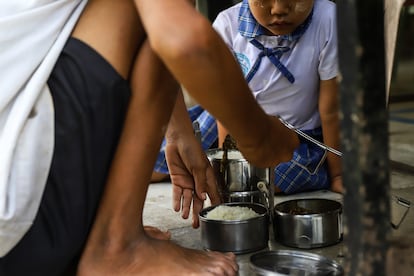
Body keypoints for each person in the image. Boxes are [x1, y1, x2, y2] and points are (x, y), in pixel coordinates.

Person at [0, 0, 299, 275]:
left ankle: (103, 228)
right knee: (149, 11)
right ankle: (119, 245)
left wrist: (179, 134)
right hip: (22, 228)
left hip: (29, 224)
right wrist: (261, 139)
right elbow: (183, 42)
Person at [154, 0, 343, 194]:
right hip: (229, 119)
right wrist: (228, 167)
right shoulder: (227, 25)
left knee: (266, 181)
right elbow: (225, 108)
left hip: (299, 136)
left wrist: (337, 174)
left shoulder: (327, 19)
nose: (278, 10)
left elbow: (331, 109)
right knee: (161, 157)